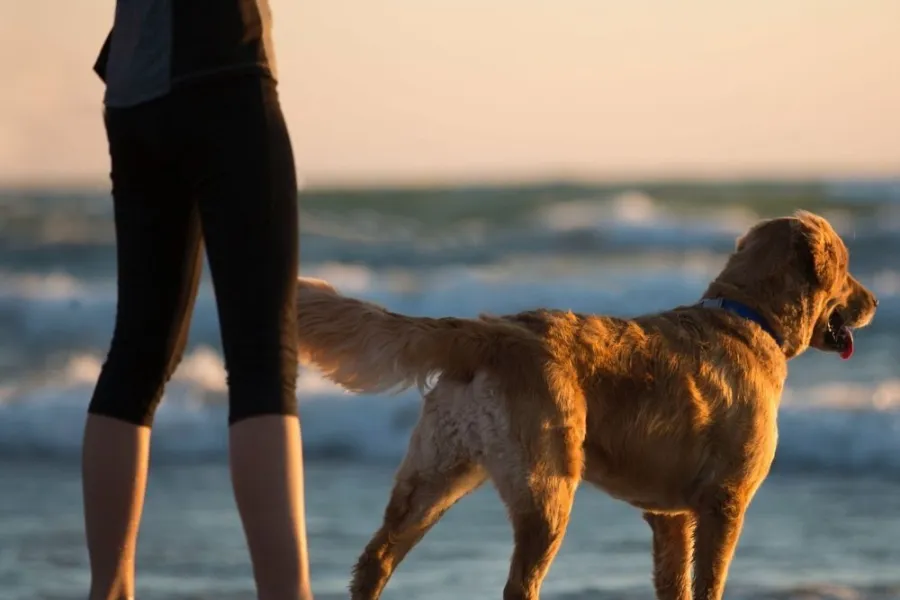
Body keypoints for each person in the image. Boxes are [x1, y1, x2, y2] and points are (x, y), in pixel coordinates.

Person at [82, 2, 313, 599]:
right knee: (263, 362)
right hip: (225, 70)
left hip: (135, 95)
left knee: (136, 356)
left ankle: (108, 591)